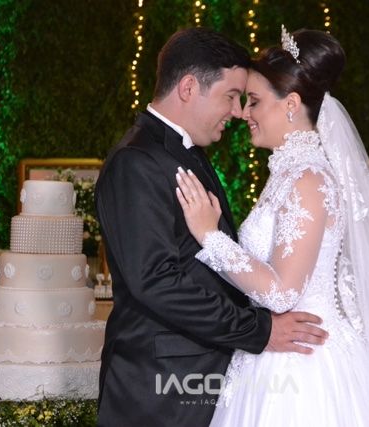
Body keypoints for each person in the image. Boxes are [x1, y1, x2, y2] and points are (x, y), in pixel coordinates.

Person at [175, 27, 369, 426]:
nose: (243, 113)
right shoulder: (289, 174)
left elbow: (281, 292)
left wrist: (210, 236)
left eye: (254, 101)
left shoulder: (308, 179)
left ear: (291, 104)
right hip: (278, 353)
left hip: (306, 364)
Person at [94, 27, 328, 427]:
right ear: (189, 88)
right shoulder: (136, 162)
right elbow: (155, 281)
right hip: (159, 388)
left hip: (204, 377)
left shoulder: (189, 152)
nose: (238, 112)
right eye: (231, 96)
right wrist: (258, 330)